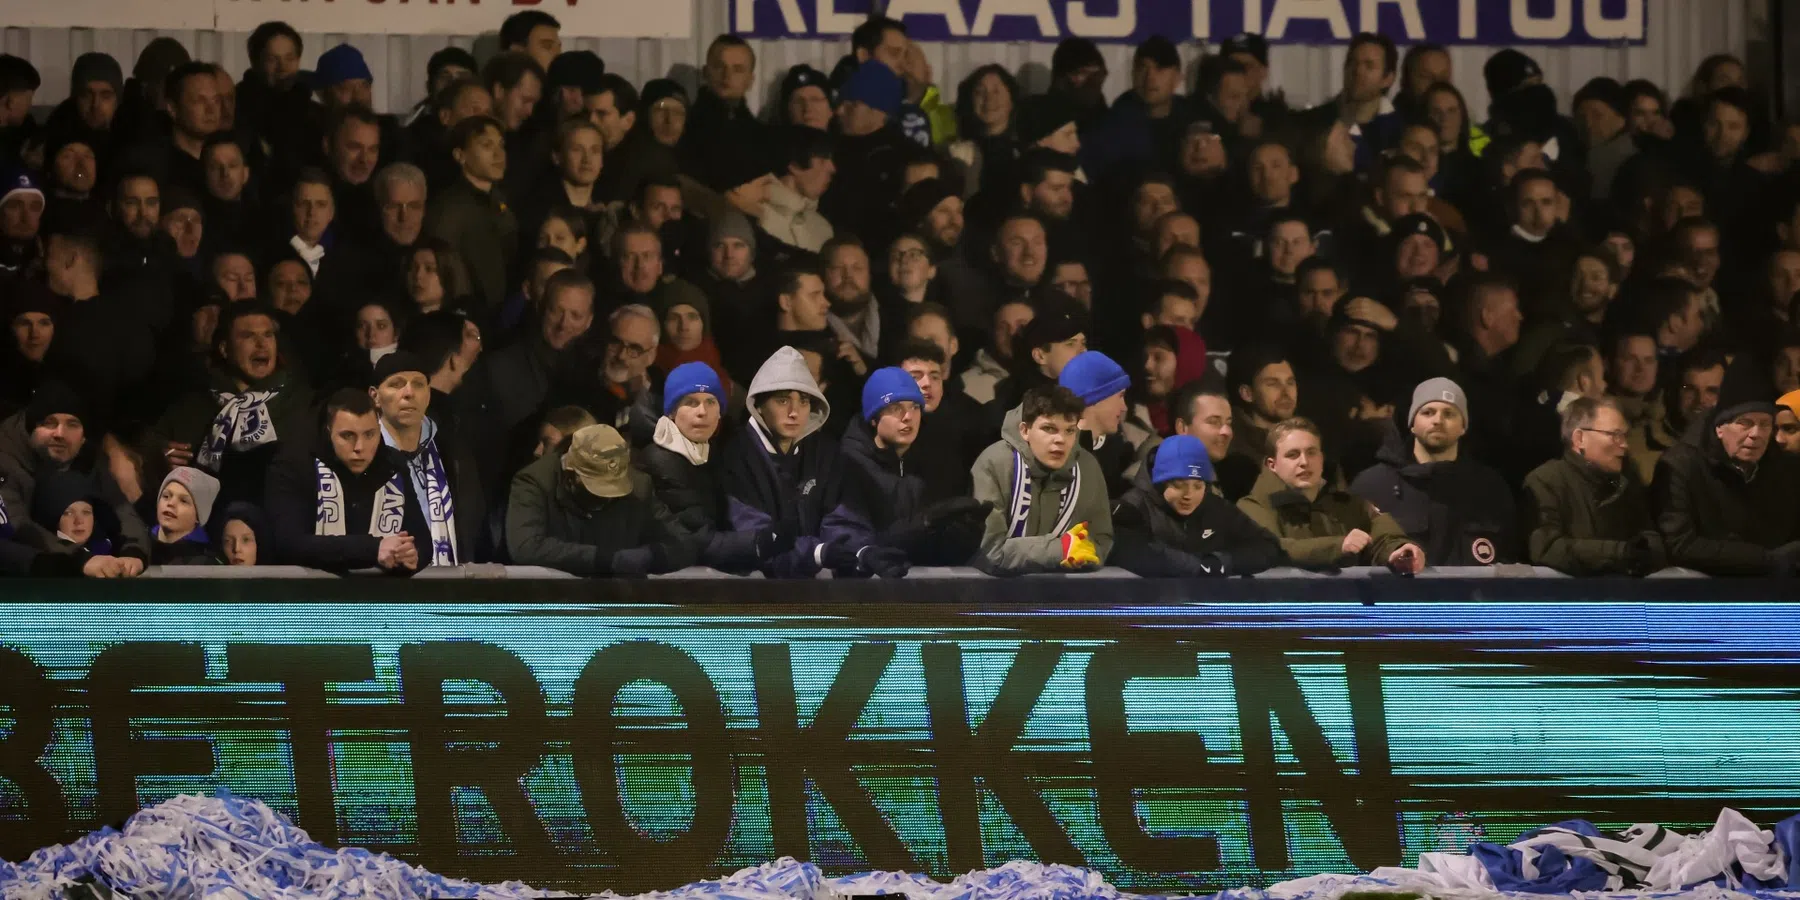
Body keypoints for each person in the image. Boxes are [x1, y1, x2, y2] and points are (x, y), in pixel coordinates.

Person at [719, 346, 905, 579]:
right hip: (746, 599)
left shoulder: (825, 452)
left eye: (804, 401)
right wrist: (817, 553)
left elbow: (842, 518)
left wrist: (862, 553)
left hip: (812, 594)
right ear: (758, 405)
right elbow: (755, 538)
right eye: (782, 400)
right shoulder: (736, 456)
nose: (794, 412)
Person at [143, 302, 314, 510]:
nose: (262, 344)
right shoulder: (193, 405)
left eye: (268, 335)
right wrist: (159, 457)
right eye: (248, 336)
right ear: (224, 349)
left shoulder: (302, 401)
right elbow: (151, 444)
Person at [1652, 357, 1800, 576]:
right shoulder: (1680, 464)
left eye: (1765, 424)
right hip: (1705, 581)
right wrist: (1765, 559)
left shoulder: (1782, 464)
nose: (1756, 434)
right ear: (1720, 428)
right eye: (1744, 423)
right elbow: (1679, 544)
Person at [1349, 378, 1519, 567]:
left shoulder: (1490, 487)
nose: (1438, 420)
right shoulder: (1373, 485)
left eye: (1449, 414)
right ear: (1412, 423)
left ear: (1464, 426)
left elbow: (1509, 555)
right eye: (1428, 412)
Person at [265, 387, 429, 573]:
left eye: (369, 435)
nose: (359, 447)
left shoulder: (393, 465)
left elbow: (422, 543)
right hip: (308, 598)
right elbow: (290, 543)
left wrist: (411, 554)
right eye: (347, 436)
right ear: (328, 432)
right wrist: (373, 549)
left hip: (380, 599)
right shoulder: (293, 465)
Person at [841, 366, 989, 567]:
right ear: (874, 418)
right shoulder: (850, 463)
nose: (908, 416)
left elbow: (931, 554)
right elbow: (852, 542)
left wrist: (959, 541)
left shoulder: (935, 458)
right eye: (895, 408)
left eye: (915, 407)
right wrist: (922, 526)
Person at [506, 423, 696, 577]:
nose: (606, 496)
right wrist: (604, 559)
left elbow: (683, 543)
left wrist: (653, 556)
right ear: (572, 474)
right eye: (597, 486)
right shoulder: (535, 482)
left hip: (617, 600)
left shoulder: (639, 485)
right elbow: (526, 546)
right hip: (551, 599)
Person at [0, 381, 151, 573]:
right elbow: (17, 526)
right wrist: (79, 559)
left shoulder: (86, 457)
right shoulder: (6, 458)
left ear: (83, 437)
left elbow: (120, 508)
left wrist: (134, 552)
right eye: (49, 423)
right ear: (31, 429)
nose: (60, 434)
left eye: (72, 424)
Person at [1238, 417, 1423, 573]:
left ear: (1321, 457)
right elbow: (1274, 548)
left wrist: (1399, 551)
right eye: (1293, 455)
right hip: (1282, 608)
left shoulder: (1347, 502)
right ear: (1272, 464)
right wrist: (1338, 546)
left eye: (1311, 453)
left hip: (1346, 608)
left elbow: (1383, 534)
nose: (1304, 462)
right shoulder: (1253, 507)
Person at [971, 384, 1112, 575]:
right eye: (1049, 428)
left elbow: (1101, 543)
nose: (1060, 439)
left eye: (1069, 431)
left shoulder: (1087, 467)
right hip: (995, 598)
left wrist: (1078, 554)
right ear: (1024, 430)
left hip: (1064, 597)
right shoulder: (995, 463)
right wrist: (1060, 550)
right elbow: (989, 551)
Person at [1521, 396, 1666, 576]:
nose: (1625, 445)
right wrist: (1619, 553)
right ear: (1580, 438)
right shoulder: (1545, 481)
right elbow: (1547, 548)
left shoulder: (1627, 481)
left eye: (1624, 436)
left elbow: (1652, 538)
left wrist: (1644, 553)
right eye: (1615, 435)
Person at [1110, 434, 1283, 577]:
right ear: (1159, 482)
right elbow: (1134, 553)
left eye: (1198, 486)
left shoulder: (1215, 507)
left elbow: (1268, 546)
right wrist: (1198, 567)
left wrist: (1221, 562)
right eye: (1179, 484)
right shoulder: (1133, 507)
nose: (1188, 495)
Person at [370, 351, 484, 566]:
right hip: (379, 586)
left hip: (446, 587)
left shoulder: (451, 452)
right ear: (375, 396)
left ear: (429, 394)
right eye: (396, 384)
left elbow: (470, 528)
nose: (409, 393)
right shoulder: (361, 454)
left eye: (419, 384)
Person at [424, 115, 517, 317]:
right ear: (460, 155)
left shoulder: (501, 200)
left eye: (501, 145)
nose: (498, 154)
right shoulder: (449, 208)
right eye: (486, 145)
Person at [1058, 350, 1139, 499]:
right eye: (1120, 396)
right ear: (1095, 398)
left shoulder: (1118, 454)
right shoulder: (1054, 453)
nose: (1124, 407)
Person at [1171, 378, 1262, 503]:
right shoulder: (1155, 482)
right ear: (1182, 428)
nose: (1227, 432)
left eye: (1229, 423)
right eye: (1214, 422)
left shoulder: (1236, 479)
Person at [150, 466, 222, 565]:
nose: (171, 503)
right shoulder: (138, 548)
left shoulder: (207, 564)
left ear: (198, 516)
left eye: (183, 501)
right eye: (166, 496)